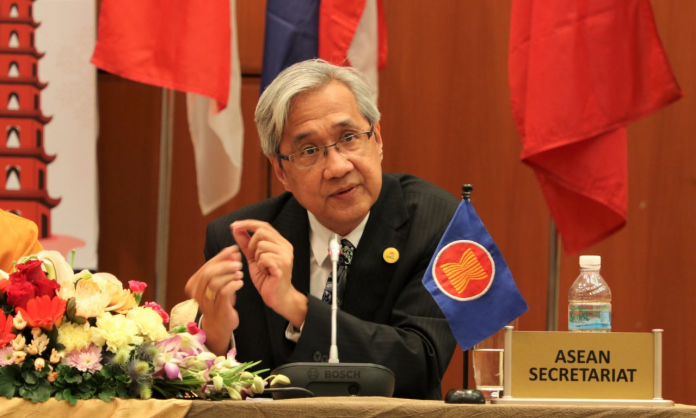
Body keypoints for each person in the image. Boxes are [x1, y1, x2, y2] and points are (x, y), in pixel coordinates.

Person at [184, 59, 458, 399]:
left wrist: (297, 307)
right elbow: (208, 390)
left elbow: (421, 364)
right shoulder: (240, 242)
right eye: (310, 150)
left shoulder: (436, 220)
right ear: (281, 171)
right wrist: (214, 335)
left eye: (349, 138)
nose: (337, 167)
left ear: (377, 139)